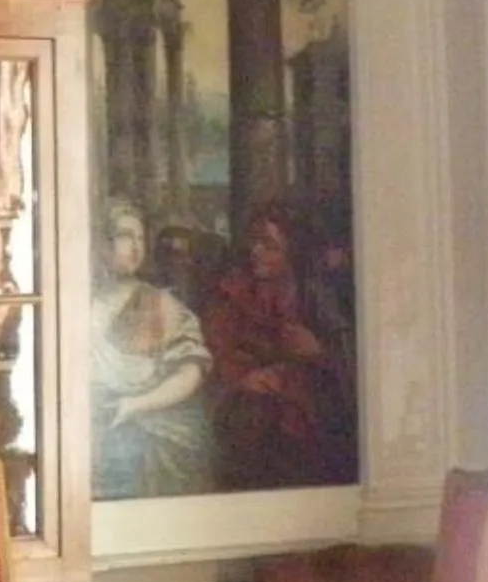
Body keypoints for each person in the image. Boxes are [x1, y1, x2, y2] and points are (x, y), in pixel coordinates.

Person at [203, 207, 356, 489]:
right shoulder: (231, 294)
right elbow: (218, 353)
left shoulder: (314, 296)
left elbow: (348, 362)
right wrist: (243, 379)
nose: (256, 251)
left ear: (292, 252)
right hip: (246, 406)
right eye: (254, 242)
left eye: (269, 245)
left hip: (305, 414)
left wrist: (318, 351)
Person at [85, 198, 215, 499]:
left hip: (150, 421)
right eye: (124, 236)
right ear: (101, 244)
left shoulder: (161, 305)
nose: (135, 247)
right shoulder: (75, 300)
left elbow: (191, 371)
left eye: (141, 237)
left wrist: (135, 405)